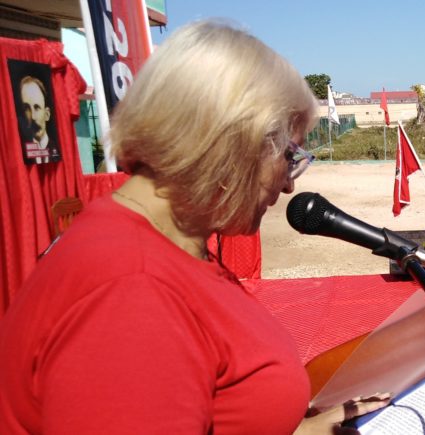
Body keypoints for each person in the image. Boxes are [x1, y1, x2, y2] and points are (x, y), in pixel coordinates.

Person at [0, 20, 389, 434]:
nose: (289, 181)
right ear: (232, 141)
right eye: (290, 154)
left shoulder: (161, 241)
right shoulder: (131, 290)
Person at [19, 75, 59, 164]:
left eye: (37, 107)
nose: (33, 117)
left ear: (47, 114)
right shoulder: (20, 153)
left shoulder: (58, 149)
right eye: (27, 108)